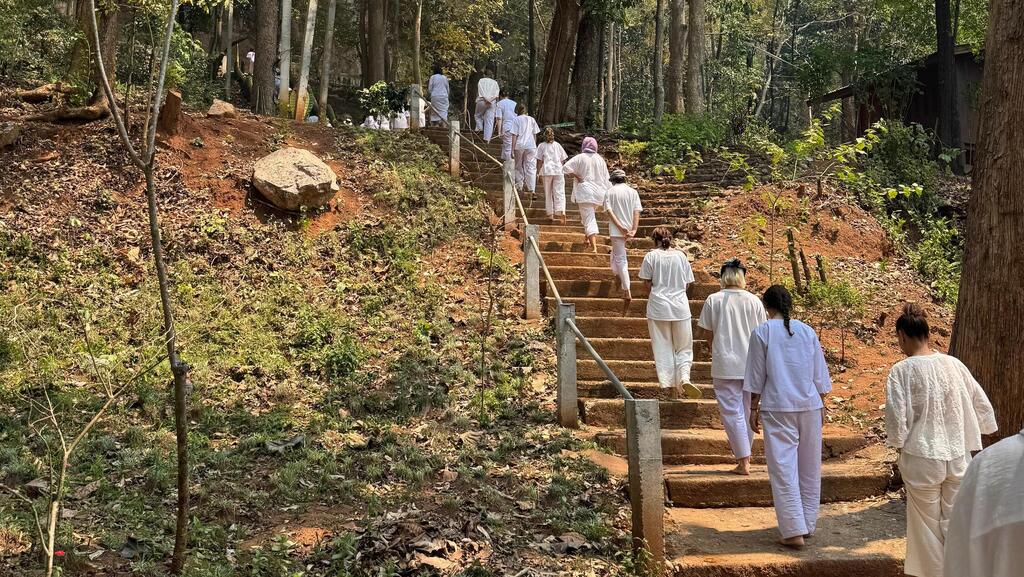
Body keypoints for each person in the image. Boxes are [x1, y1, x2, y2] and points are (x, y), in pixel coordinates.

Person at [883, 303, 997, 577]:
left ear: (902, 336)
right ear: (928, 333)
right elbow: (980, 403)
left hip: (922, 456)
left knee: (926, 528)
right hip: (958, 455)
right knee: (956, 522)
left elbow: (897, 420)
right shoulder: (954, 364)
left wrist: (898, 445)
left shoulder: (901, 371)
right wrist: (984, 427)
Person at [744, 285, 831, 549]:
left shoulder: (762, 332)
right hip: (810, 406)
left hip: (778, 407)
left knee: (783, 470)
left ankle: (793, 530)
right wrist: (822, 406)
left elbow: (756, 377)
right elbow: (820, 377)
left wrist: (752, 409)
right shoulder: (807, 331)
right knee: (809, 468)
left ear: (766, 306)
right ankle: (807, 522)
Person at [697, 259, 767, 476]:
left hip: (725, 363)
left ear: (723, 277)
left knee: (731, 411)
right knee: (747, 410)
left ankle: (744, 459)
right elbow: (762, 332)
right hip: (751, 363)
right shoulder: (754, 301)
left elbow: (707, 332)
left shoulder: (713, 300)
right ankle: (745, 457)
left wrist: (713, 348)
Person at [944, 428, 1024, 577]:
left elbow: (960, 563)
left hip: (921, 454)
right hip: (956, 454)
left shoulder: (988, 464)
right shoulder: (988, 464)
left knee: (928, 519)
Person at [639, 227, 701, 401]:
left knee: (663, 348)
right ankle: (684, 378)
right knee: (684, 347)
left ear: (654, 240)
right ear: (670, 239)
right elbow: (687, 284)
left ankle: (670, 388)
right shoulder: (681, 257)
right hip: (680, 307)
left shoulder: (650, 256)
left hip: (658, 308)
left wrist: (657, 292)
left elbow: (646, 284)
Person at [562, 137, 611, 252]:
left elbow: (565, 168)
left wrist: (577, 176)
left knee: (589, 218)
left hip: (585, 192)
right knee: (589, 214)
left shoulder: (580, 157)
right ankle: (587, 238)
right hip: (599, 193)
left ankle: (594, 246)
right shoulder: (600, 159)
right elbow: (607, 179)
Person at [603, 169, 642, 302]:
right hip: (629, 229)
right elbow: (637, 211)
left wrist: (620, 227)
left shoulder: (609, 192)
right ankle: (615, 272)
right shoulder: (633, 192)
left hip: (616, 231)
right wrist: (634, 229)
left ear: (613, 181)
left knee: (621, 259)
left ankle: (627, 290)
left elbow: (609, 212)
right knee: (616, 253)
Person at [535, 128, 568, 223]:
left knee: (548, 193)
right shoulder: (558, 145)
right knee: (560, 192)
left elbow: (539, 161)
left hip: (547, 170)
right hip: (558, 170)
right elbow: (562, 160)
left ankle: (550, 214)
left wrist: (538, 173)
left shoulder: (541, 146)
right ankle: (561, 211)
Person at [510, 103, 540, 199]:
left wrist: (512, 149)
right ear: (526, 111)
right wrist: (534, 145)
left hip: (519, 145)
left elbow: (514, 135)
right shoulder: (531, 119)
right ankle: (532, 189)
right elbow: (535, 134)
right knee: (531, 167)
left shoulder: (516, 120)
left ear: (517, 111)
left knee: (518, 166)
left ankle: (520, 187)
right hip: (531, 145)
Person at [474, 70, 500, 141]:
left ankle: (479, 128)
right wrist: (490, 100)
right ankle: (487, 138)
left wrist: (486, 99)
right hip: (492, 102)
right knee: (489, 120)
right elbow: (496, 94)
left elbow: (481, 91)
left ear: (484, 75)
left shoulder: (481, 81)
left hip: (482, 101)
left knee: (477, 115)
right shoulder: (495, 83)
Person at [495, 90, 518, 160]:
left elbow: (499, 118)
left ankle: (509, 167)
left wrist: (499, 132)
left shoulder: (499, 104)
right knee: (509, 146)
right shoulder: (514, 103)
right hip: (516, 127)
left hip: (507, 127)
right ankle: (506, 164)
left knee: (508, 148)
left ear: (500, 96)